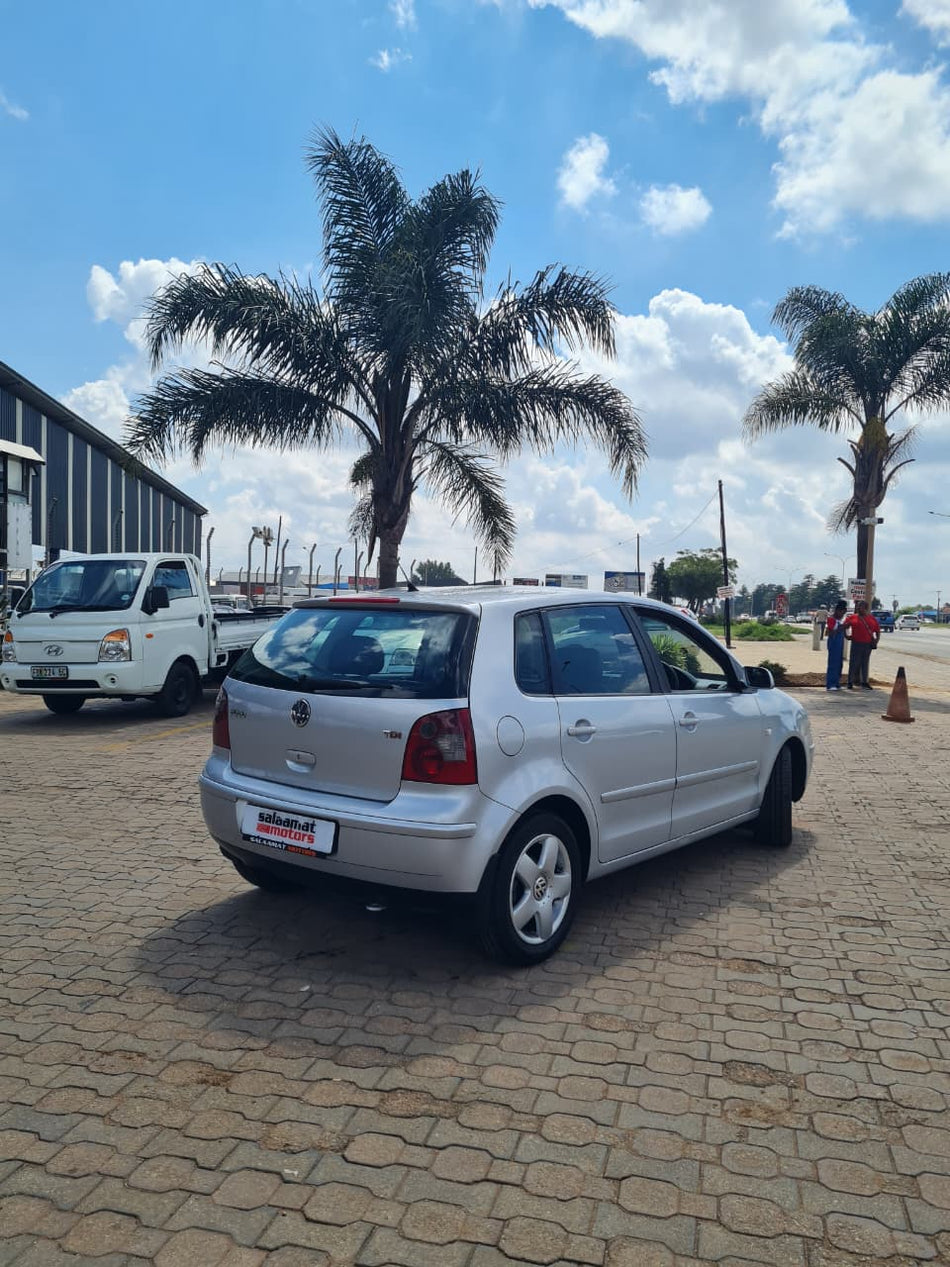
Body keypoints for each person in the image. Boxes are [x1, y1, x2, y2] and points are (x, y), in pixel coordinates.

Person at [844, 600, 880, 689]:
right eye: (858, 606)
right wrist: (847, 636)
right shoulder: (852, 617)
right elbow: (844, 626)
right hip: (856, 643)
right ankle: (850, 682)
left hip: (867, 644)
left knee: (865, 663)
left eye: (861, 607)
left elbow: (877, 630)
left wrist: (876, 640)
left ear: (866, 608)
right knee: (853, 663)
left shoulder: (871, 618)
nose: (859, 608)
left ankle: (864, 682)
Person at [825, 601, 847, 690]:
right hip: (834, 643)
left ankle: (837, 682)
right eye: (842, 612)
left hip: (840, 643)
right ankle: (831, 684)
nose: (842, 615)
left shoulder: (840, 620)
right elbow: (831, 633)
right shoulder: (832, 619)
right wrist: (841, 628)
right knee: (833, 663)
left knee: (839, 664)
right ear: (837, 611)